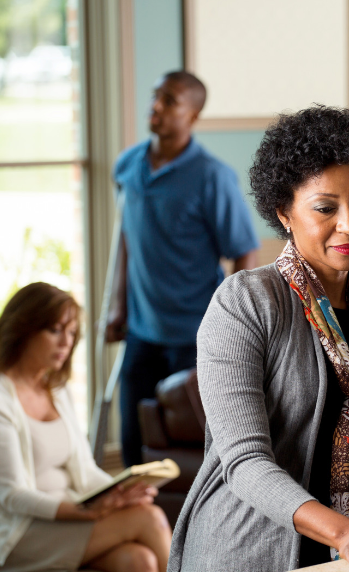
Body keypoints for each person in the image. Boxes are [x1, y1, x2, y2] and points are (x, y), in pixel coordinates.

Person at [167, 105, 349, 571]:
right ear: (285, 212)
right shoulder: (245, 302)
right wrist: (344, 532)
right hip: (247, 552)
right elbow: (244, 461)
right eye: (326, 208)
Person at [107, 70, 260, 467]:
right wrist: (118, 306)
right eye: (156, 96)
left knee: (194, 447)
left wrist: (229, 324)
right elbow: (126, 239)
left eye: (169, 101)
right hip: (141, 329)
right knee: (134, 439)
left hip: (193, 335)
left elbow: (244, 252)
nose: (155, 106)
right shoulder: (127, 166)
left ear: (192, 115)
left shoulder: (213, 177)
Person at [0, 282, 172, 572]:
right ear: (22, 329)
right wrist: (82, 512)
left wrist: (116, 495)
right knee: (150, 517)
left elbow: (84, 470)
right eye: (55, 330)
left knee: (139, 560)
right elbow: (12, 495)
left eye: (71, 333)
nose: (66, 342)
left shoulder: (57, 391)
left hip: (67, 518)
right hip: (16, 533)